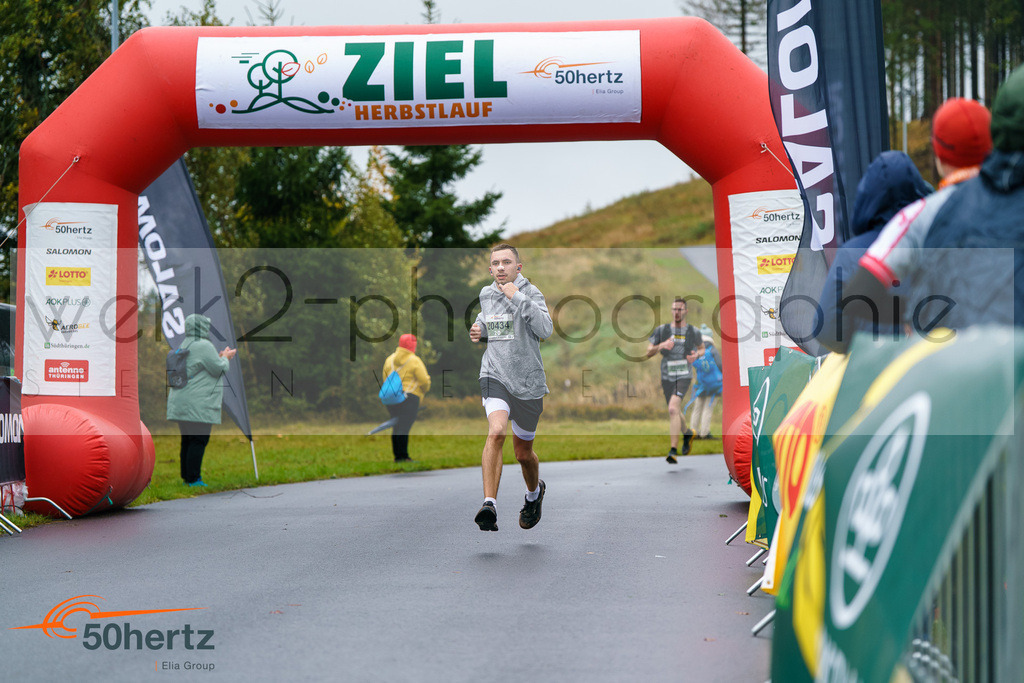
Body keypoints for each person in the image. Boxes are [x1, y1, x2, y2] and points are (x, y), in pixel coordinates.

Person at [824, 97, 994, 352]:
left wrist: (916, 314)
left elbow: (846, 308)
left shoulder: (920, 217)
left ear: (938, 154)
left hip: (936, 368)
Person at [469, 243, 552, 532]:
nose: (501, 267)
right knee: (496, 430)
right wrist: (480, 330)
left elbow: (545, 330)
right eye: (496, 263)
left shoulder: (530, 293)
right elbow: (494, 324)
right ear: (490, 269)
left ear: (519, 267)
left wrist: (517, 297)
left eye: (507, 262)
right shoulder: (486, 294)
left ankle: (533, 495)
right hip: (494, 375)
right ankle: (489, 503)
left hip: (528, 383)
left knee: (523, 454)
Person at [814, 151, 933, 352]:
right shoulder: (938, 245)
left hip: (869, 375)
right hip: (927, 370)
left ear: (866, 195)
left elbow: (827, 331)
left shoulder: (850, 255)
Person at [166, 313, 236, 487]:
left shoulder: (185, 343)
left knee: (188, 439)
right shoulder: (204, 345)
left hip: (180, 401)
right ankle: (194, 479)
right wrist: (225, 357)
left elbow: (204, 365)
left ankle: (187, 479)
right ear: (202, 327)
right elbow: (218, 369)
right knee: (199, 439)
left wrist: (218, 357)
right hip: (197, 403)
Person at [645, 297, 701, 463]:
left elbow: (702, 349)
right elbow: (648, 351)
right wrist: (661, 346)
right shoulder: (662, 330)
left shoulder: (693, 331)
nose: (677, 312)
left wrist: (696, 355)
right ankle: (688, 434)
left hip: (684, 375)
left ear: (686, 311)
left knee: (672, 409)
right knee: (674, 410)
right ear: (671, 311)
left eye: (680, 309)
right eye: (674, 309)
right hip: (667, 376)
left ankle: (673, 450)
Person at [381, 333, 431, 462]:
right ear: (413, 345)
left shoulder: (389, 359)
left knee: (396, 425)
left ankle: (398, 456)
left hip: (391, 398)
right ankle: (403, 457)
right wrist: (423, 391)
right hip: (409, 397)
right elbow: (424, 380)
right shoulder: (414, 360)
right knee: (404, 426)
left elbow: (385, 379)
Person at [687, 334, 723, 440]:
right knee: (708, 408)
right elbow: (720, 365)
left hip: (701, 384)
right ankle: (704, 433)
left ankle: (693, 432)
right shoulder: (712, 350)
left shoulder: (695, 350)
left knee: (697, 408)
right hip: (714, 385)